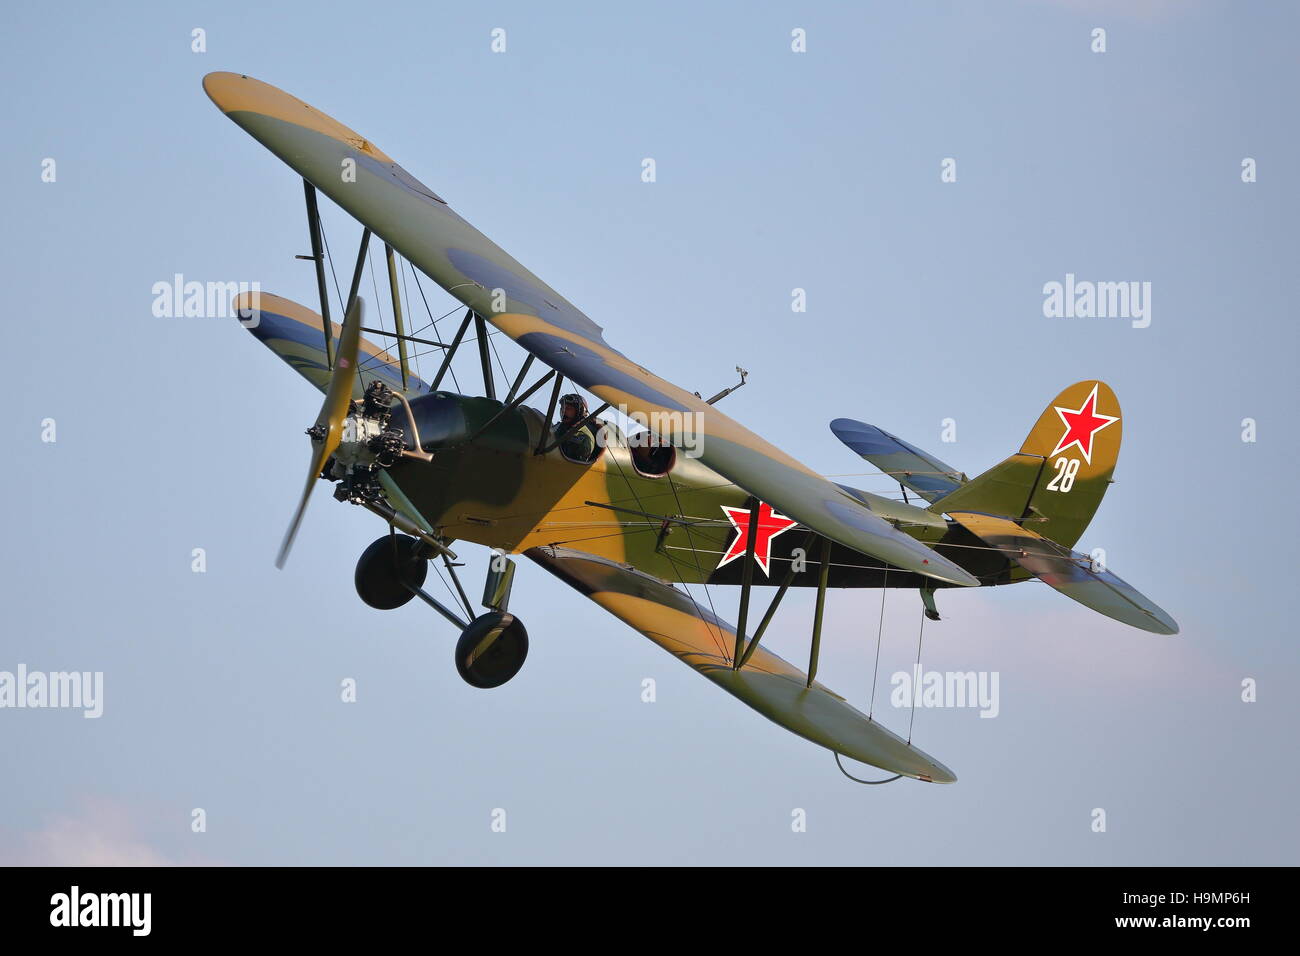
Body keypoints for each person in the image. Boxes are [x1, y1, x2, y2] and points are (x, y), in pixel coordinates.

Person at [553, 392, 596, 462]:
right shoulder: (559, 426)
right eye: (563, 407)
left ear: (580, 412)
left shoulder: (585, 438)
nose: (564, 411)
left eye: (568, 408)